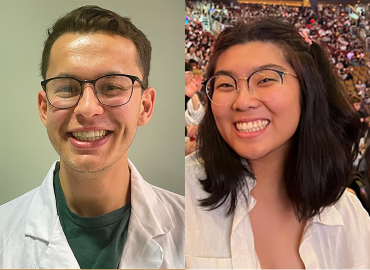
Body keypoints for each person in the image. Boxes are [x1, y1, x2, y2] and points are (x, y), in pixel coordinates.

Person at [0, 6, 184, 269]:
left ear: (145, 106)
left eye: (111, 87)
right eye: (66, 88)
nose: (87, 108)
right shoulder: (3, 233)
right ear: (44, 107)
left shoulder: (192, 227)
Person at [186, 19, 370, 270]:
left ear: (308, 89)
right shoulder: (176, 197)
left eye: (265, 80)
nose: (242, 101)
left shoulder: (349, 217)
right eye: (226, 84)